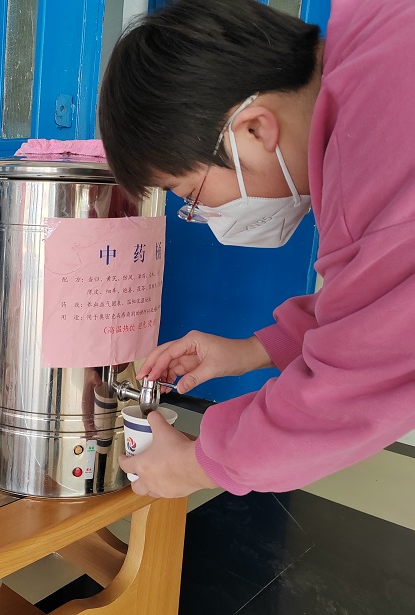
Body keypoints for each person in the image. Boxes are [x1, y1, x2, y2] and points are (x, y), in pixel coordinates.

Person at [98, 0, 415, 498]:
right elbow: (380, 297)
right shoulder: (379, 32)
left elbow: (353, 382)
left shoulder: (372, 163)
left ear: (255, 128)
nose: (201, 215)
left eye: (190, 194)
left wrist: (193, 465)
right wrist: (254, 350)